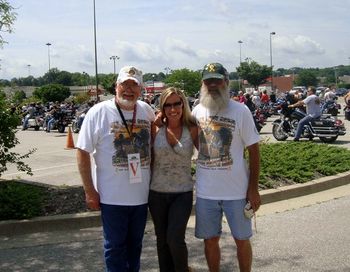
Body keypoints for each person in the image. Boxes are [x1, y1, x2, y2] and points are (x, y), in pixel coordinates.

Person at [76, 65, 155, 272]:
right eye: (124, 84)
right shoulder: (99, 112)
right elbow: (82, 151)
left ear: (141, 89)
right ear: (116, 86)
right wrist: (89, 190)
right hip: (111, 197)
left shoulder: (146, 110)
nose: (129, 90)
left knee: (135, 247)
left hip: (140, 196)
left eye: (134, 85)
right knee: (114, 247)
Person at [192, 63, 261, 272]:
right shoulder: (197, 110)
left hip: (236, 193)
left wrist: (253, 189)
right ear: (203, 84)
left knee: (242, 240)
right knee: (210, 241)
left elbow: (255, 151)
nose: (212, 85)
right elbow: (197, 144)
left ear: (226, 82)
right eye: (208, 80)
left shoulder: (241, 111)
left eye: (217, 80)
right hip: (206, 193)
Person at [149, 87, 198, 272]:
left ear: (183, 104)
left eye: (177, 103)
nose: (173, 109)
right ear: (162, 108)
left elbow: (208, 156)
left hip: (182, 193)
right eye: (167, 105)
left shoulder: (192, 128)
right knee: (162, 241)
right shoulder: (154, 127)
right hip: (156, 193)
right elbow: (149, 158)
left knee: (175, 239)